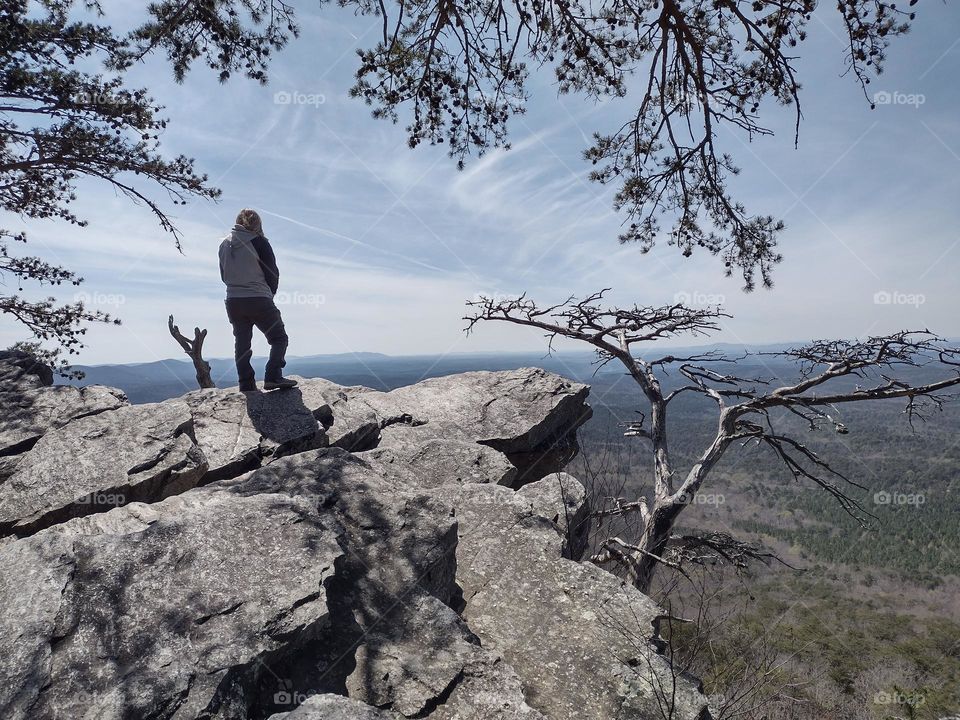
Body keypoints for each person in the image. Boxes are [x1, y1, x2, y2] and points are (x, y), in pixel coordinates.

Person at [218, 209, 298, 391]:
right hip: (259, 297)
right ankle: (273, 376)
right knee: (279, 338)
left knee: (242, 343)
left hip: (233, 301)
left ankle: (246, 384)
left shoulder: (224, 244)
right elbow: (272, 273)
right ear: (257, 224)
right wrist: (270, 293)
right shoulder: (259, 242)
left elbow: (223, 275)